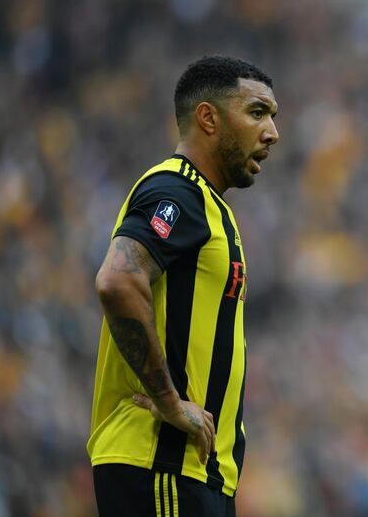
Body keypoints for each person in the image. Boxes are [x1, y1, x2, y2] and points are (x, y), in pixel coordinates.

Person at [88, 55, 279, 516]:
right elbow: (117, 281)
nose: (272, 132)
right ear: (208, 118)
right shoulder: (178, 191)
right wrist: (170, 403)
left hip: (192, 474)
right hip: (161, 461)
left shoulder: (212, 207)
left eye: (272, 117)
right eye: (257, 113)